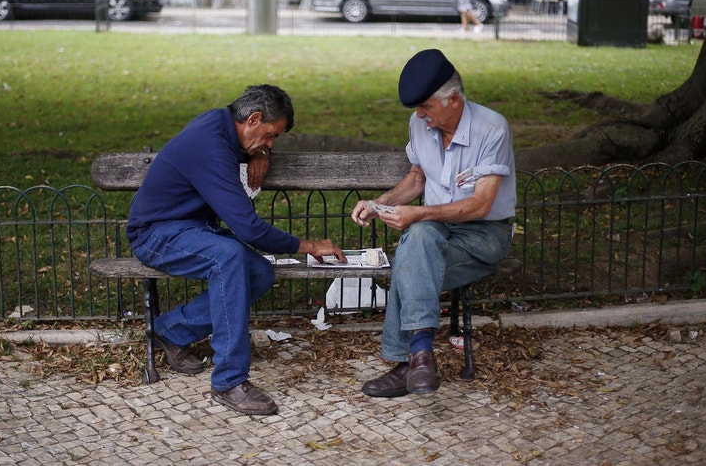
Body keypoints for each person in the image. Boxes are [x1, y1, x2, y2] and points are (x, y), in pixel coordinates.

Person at [126, 84, 347, 415]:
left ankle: (171, 331)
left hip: (192, 227)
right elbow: (249, 228)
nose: (271, 143)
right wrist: (309, 246)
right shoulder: (209, 146)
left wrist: (260, 153)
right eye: (271, 136)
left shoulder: (223, 124)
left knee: (259, 272)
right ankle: (229, 381)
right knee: (227, 257)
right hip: (155, 234)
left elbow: (246, 145)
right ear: (254, 118)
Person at [351, 49, 516, 398]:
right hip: (435, 232)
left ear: (453, 100)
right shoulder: (420, 124)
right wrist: (379, 204)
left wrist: (418, 214)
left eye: (426, 107)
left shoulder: (492, 128)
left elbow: (480, 205)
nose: (419, 115)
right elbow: (417, 179)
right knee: (420, 239)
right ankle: (422, 357)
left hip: (484, 234)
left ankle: (406, 364)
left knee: (410, 261)